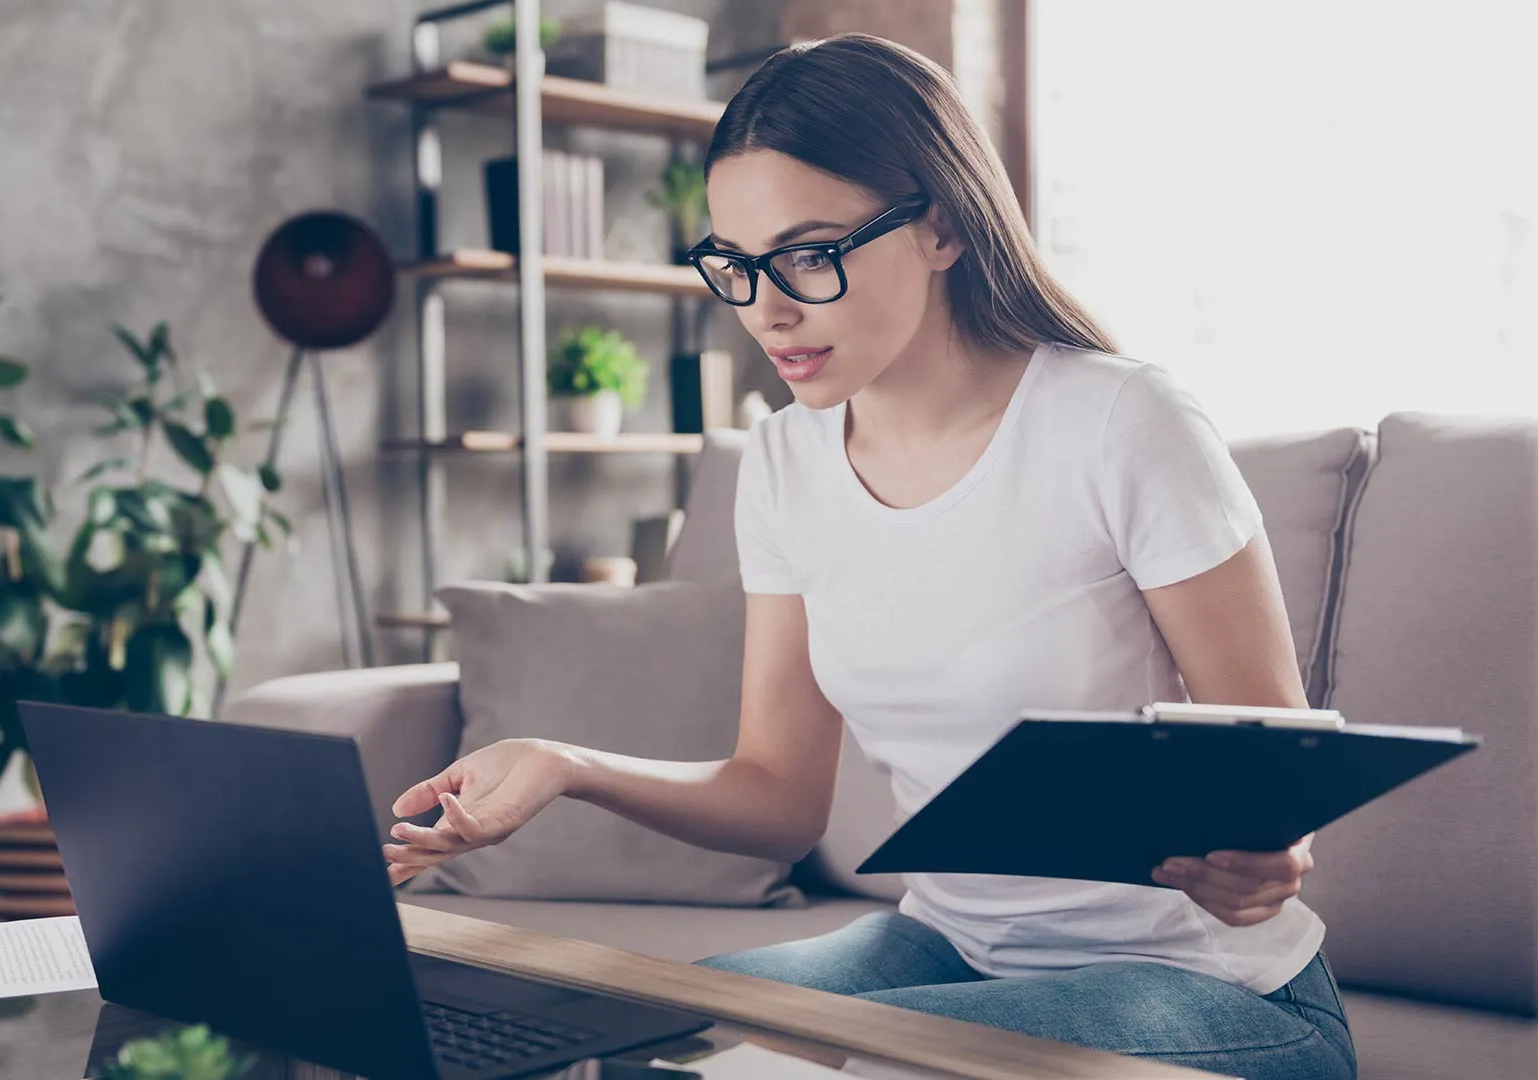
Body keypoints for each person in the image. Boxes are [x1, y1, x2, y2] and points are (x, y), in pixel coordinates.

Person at [382, 33, 1355, 1080]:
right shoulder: (782, 461)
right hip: (955, 946)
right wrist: (567, 766)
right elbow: (777, 795)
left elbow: (1276, 775)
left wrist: (1269, 853)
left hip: (1215, 988)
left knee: (849, 1071)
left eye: (809, 254)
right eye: (736, 265)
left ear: (942, 225)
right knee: (652, 1045)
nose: (767, 309)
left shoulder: (1123, 422)